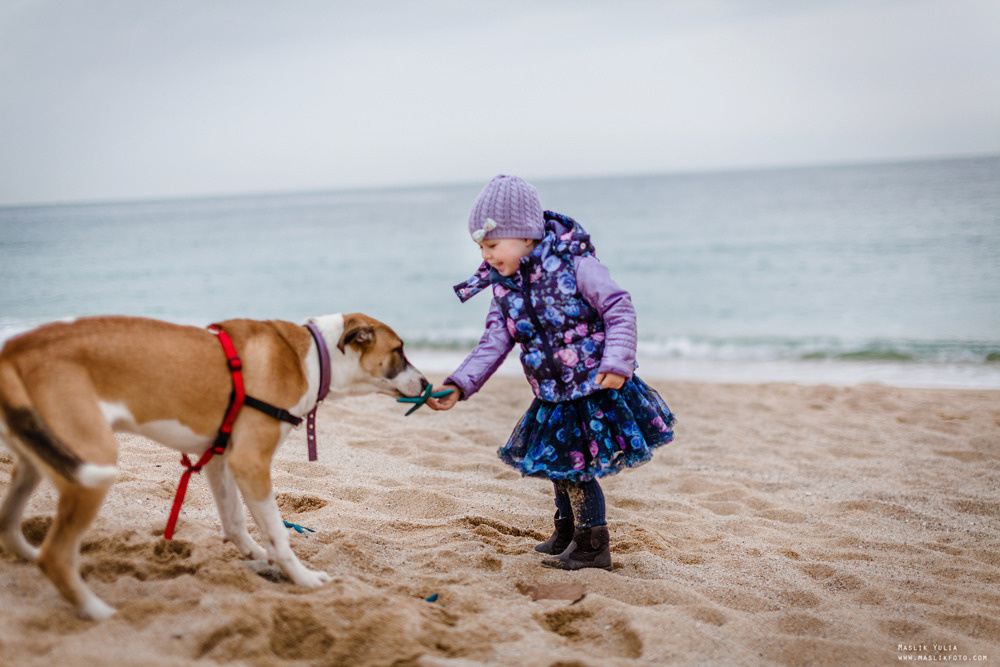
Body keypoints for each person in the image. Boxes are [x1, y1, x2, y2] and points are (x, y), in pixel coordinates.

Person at [429, 174, 675, 570]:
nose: (485, 255)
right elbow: (494, 341)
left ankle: (593, 543)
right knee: (558, 464)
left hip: (593, 387)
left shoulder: (576, 266)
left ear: (525, 236)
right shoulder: (505, 287)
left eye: (491, 244)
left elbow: (619, 308)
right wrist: (459, 385)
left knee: (575, 468)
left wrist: (617, 363)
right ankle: (567, 531)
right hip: (552, 392)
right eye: (480, 247)